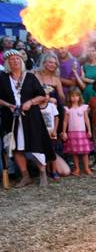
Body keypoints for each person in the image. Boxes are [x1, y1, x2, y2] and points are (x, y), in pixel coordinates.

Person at [0, 50, 52, 187]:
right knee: (16, 147)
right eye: (11, 59)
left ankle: (43, 173)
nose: (15, 61)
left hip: (31, 117)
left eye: (17, 58)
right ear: (7, 63)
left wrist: (30, 102)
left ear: (21, 61)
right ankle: (25, 176)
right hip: (11, 118)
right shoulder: (3, 78)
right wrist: (8, 105)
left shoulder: (30, 77)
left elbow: (42, 95)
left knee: (36, 144)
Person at [39, 86, 70, 180]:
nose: (46, 97)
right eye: (43, 95)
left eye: (47, 95)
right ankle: (46, 170)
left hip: (52, 134)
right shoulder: (36, 108)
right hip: (42, 135)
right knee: (43, 154)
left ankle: (54, 171)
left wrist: (55, 130)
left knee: (52, 153)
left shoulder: (51, 106)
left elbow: (56, 118)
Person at [62, 87, 93, 176]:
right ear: (69, 97)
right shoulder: (68, 109)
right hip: (72, 133)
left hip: (82, 133)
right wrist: (64, 132)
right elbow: (65, 121)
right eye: (72, 96)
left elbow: (86, 119)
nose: (74, 98)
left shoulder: (83, 107)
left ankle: (86, 168)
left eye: (76, 96)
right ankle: (77, 169)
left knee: (85, 151)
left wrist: (89, 130)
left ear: (80, 97)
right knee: (74, 152)